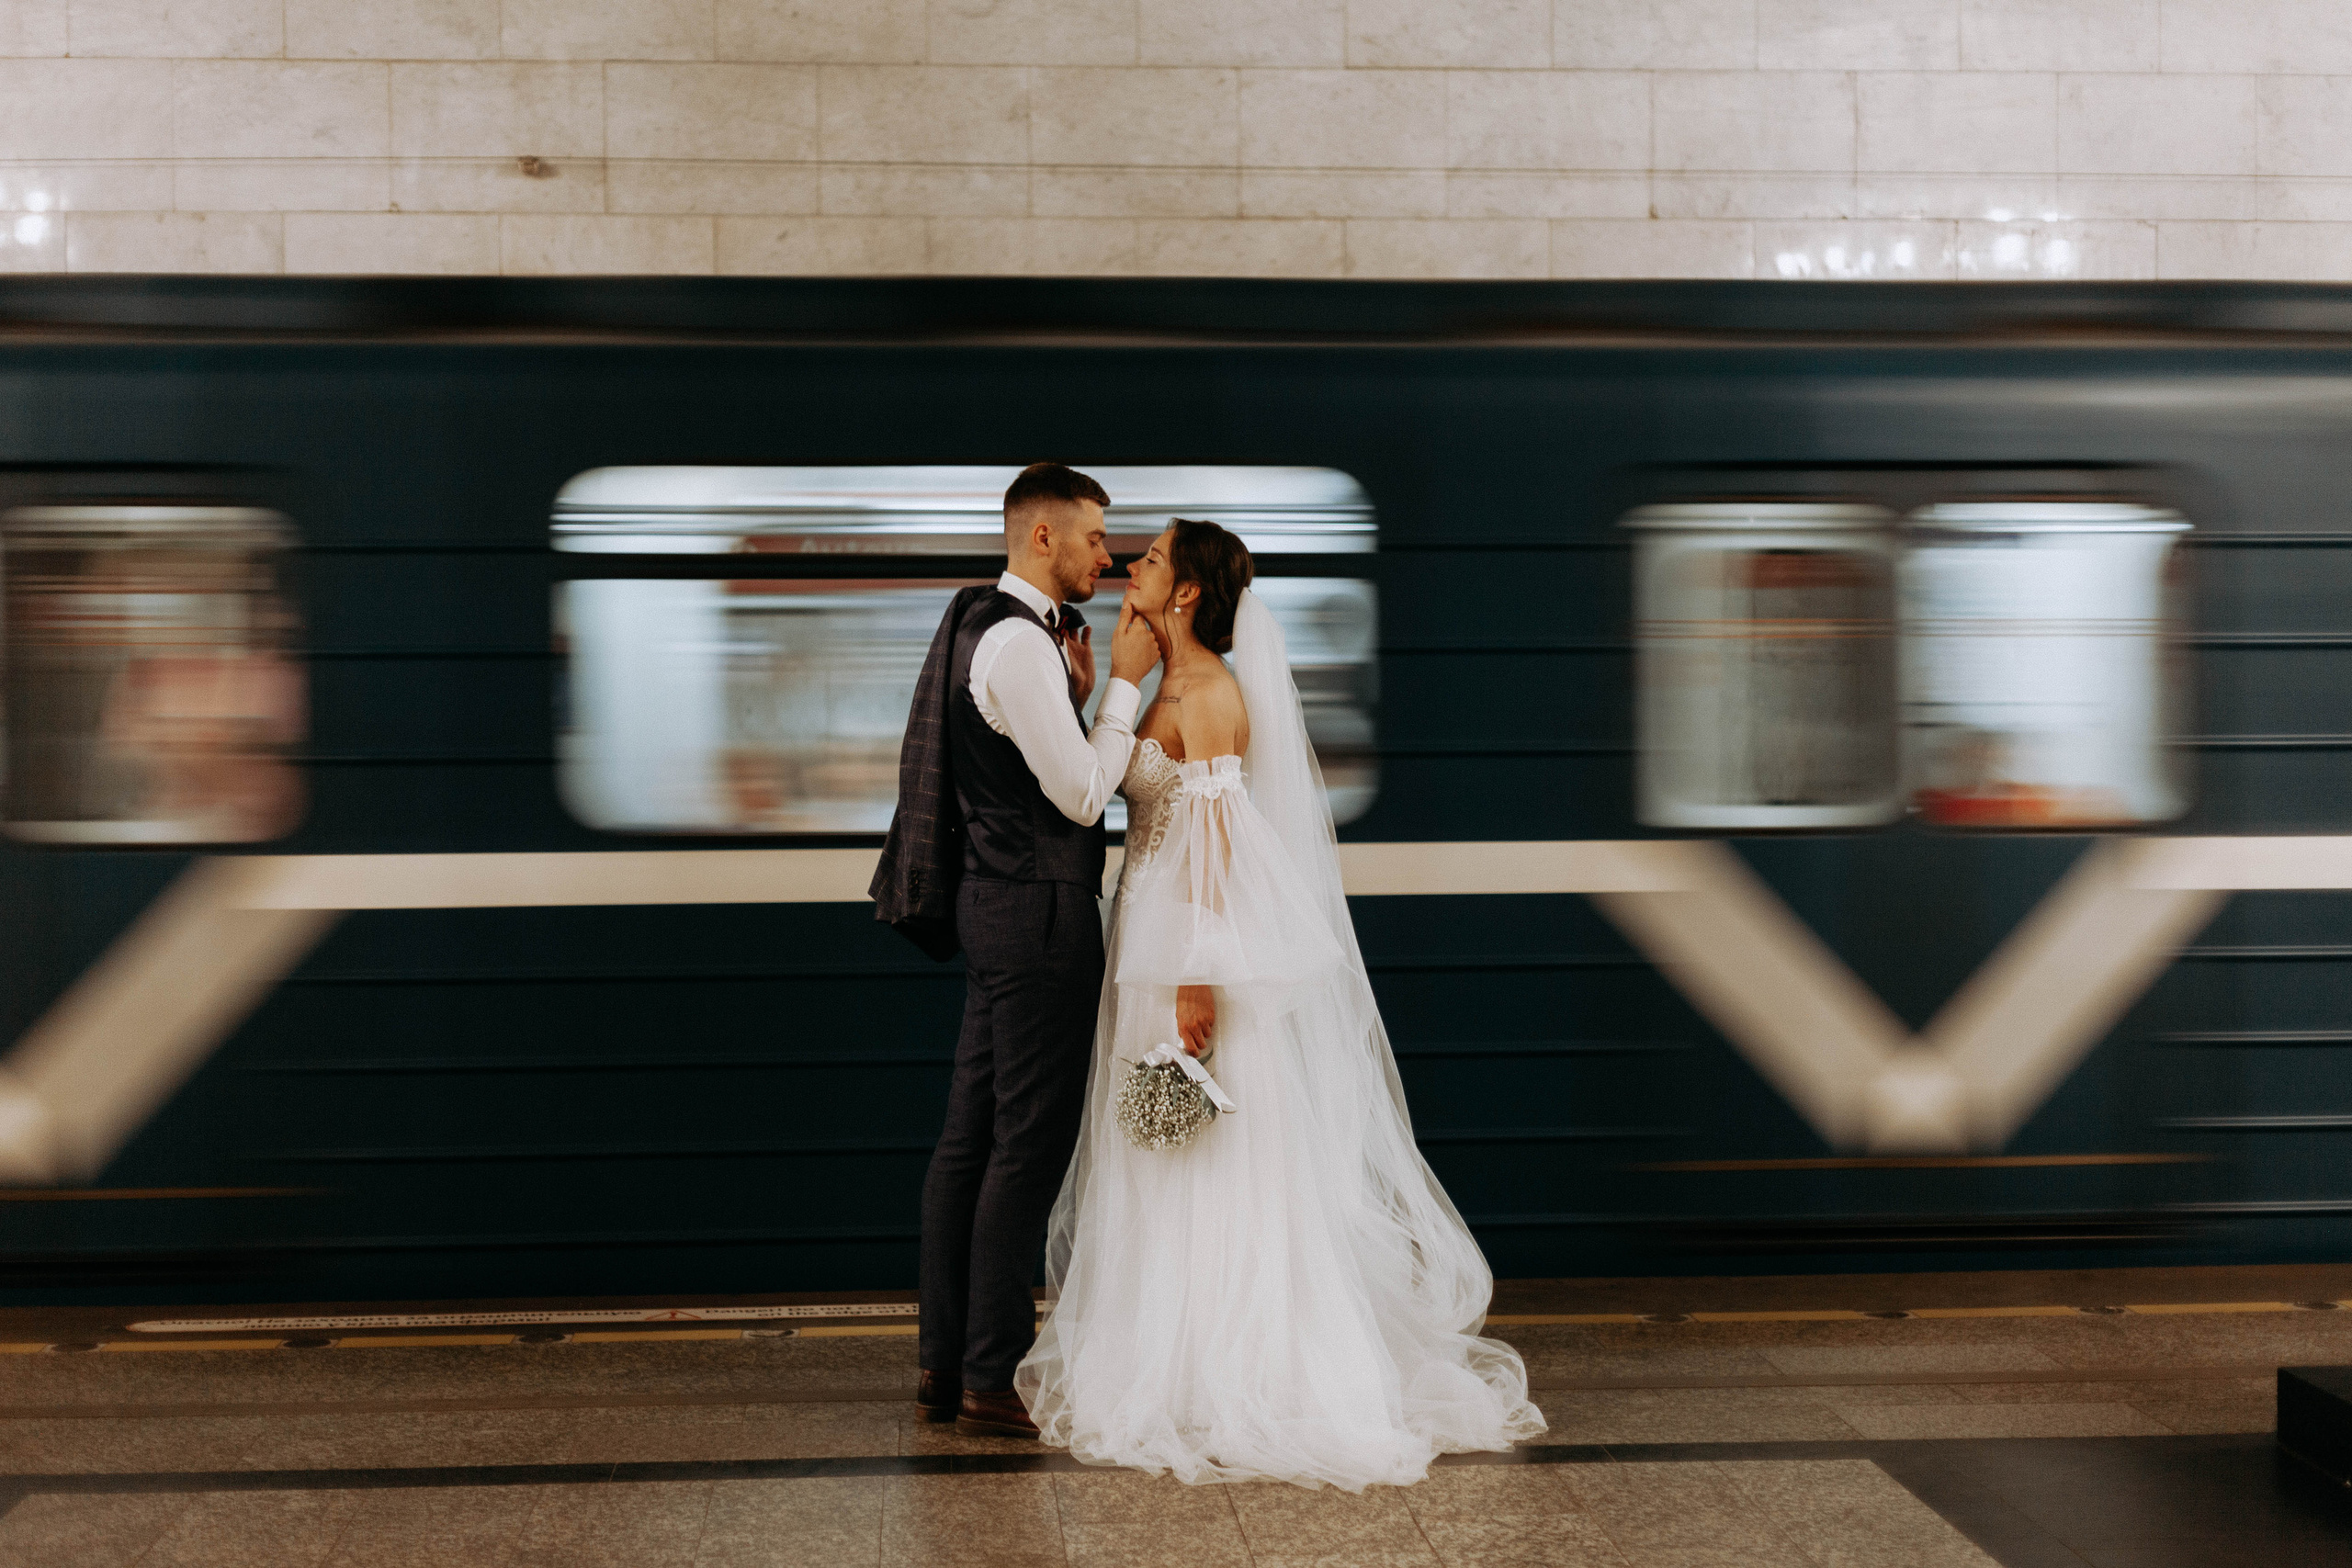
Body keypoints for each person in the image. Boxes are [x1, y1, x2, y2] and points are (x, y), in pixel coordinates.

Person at [1016, 518, 1545, 1489]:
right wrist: (1105, 686)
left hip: (1185, 946)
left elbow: (1218, 845)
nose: (1133, 565)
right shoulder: (1168, 682)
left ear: (1185, 592)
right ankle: (1170, 1354)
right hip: (1146, 936)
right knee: (1157, 1146)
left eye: (1153, 559)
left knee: (1205, 1153)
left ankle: (1229, 1370)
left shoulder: (1213, 693)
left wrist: (1197, 972)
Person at [872, 463, 1159, 1438]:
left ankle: (944, 1361)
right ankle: (990, 1377)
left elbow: (1031, 765)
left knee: (970, 1140)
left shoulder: (985, 627)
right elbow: (1081, 795)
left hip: (996, 908)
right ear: (1043, 536)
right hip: (1038, 916)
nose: (1106, 557)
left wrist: (1076, 697)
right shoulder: (1018, 643)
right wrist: (1122, 687)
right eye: (1094, 538)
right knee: (1025, 1146)